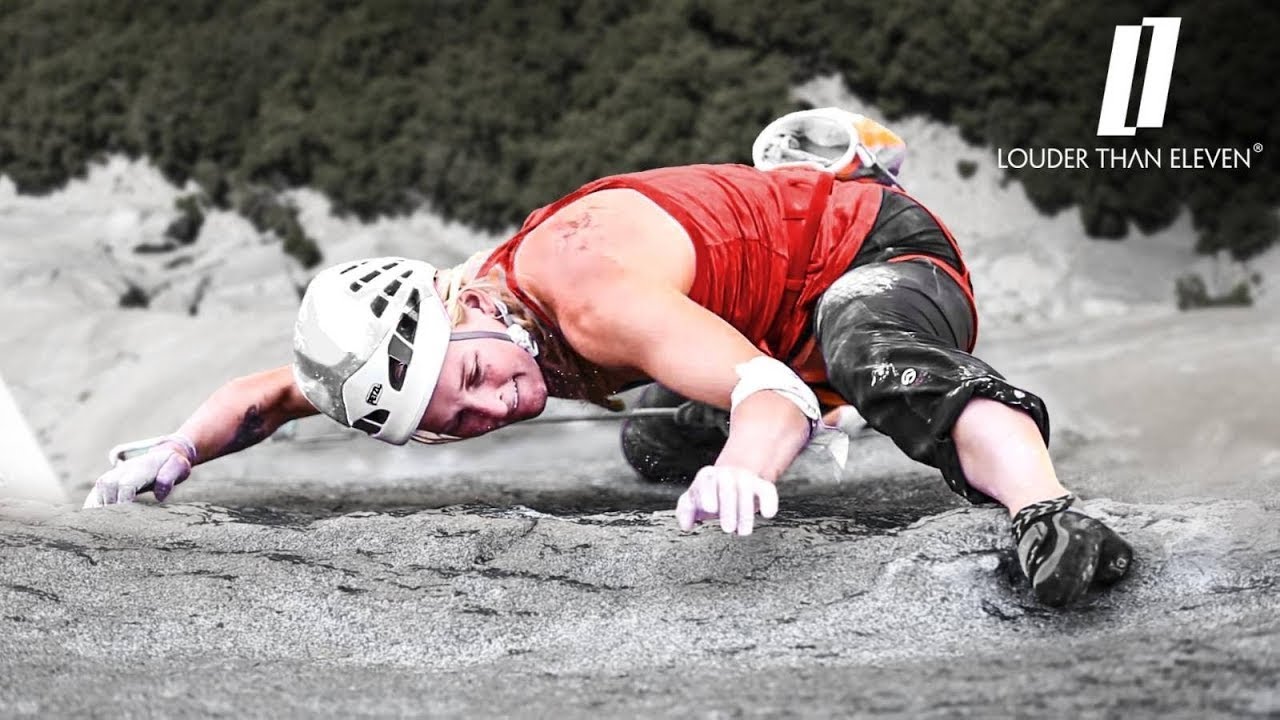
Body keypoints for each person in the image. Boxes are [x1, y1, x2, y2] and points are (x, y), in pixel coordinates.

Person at [83, 109, 1132, 608]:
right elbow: (270, 394)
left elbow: (770, 398)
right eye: (457, 424)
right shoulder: (447, 333)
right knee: (651, 440)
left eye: (473, 381)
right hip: (755, 318)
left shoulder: (581, 298)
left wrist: (748, 465)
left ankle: (1044, 503)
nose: (492, 409)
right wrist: (172, 451)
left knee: (865, 350)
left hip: (868, 253)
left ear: (460, 306)